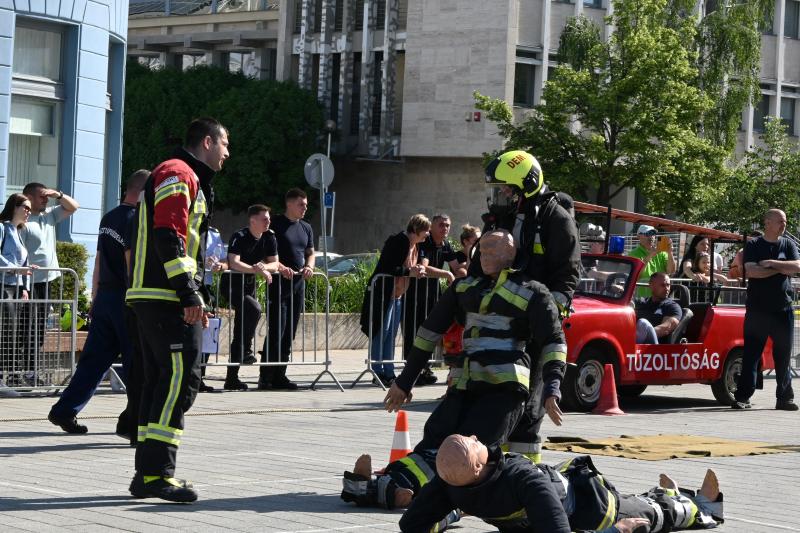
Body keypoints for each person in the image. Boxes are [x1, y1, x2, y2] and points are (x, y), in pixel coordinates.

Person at [343, 230, 566, 510]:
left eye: (493, 249)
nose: (484, 255)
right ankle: (392, 482)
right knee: (436, 435)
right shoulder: (464, 288)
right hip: (465, 386)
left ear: (511, 254)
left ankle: (399, 490)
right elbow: (428, 334)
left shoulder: (533, 292)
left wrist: (553, 387)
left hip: (503, 391)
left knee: (467, 451)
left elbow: (554, 342)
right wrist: (404, 382)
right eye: (482, 250)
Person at [126, 117, 229, 502]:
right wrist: (187, 292)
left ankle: (147, 473)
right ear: (207, 141)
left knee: (160, 383)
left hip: (155, 294)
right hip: (164, 297)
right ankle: (156, 474)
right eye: (224, 145)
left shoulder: (181, 173)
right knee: (178, 382)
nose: (227, 154)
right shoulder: (178, 172)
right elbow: (170, 235)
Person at [399, 434, 724, 533]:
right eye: (470, 443)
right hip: (594, 508)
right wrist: (616, 531)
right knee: (651, 513)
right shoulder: (523, 479)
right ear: (480, 465)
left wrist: (451, 511)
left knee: (635, 499)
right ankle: (700, 506)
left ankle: (664, 491)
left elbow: (411, 525)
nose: (473, 436)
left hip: (559, 494)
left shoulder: (453, 485)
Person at [479, 150, 580, 462]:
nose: (500, 195)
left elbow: (566, 278)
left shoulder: (556, 220)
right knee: (493, 398)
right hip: (499, 323)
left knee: (529, 404)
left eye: (506, 189)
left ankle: (524, 473)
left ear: (527, 186)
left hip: (534, 329)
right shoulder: (500, 219)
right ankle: (490, 466)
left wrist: (547, 314)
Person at [47, 170, 149, 435]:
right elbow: (131, 263)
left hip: (105, 296)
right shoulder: (135, 218)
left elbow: (100, 260)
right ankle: (134, 421)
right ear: (142, 192)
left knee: (93, 361)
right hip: (126, 299)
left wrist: (95, 296)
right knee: (136, 362)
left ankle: (64, 410)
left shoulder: (110, 217)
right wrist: (137, 298)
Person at [733, 209, 800, 411]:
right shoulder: (754, 244)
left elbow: (797, 266)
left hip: (783, 309)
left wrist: (771, 264)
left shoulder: (788, 244)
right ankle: (743, 397)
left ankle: (784, 398)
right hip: (758, 310)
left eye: (785, 221)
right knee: (752, 354)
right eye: (780, 221)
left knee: (783, 355)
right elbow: (752, 271)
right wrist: (781, 268)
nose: (784, 225)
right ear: (767, 223)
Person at [222, 205, 290, 391]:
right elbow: (234, 262)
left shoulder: (269, 236)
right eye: (264, 219)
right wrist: (255, 269)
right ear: (253, 221)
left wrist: (262, 268)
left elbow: (274, 264)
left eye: (268, 218)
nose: (268, 221)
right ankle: (246, 350)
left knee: (239, 332)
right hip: (232, 286)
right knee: (254, 309)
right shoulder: (239, 236)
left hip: (249, 287)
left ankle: (232, 378)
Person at [360, 214, 429, 387]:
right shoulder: (399, 241)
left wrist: (417, 268)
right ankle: (377, 372)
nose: (428, 234)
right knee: (380, 333)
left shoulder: (415, 246)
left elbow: (411, 266)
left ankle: (389, 373)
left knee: (390, 336)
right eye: (425, 230)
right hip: (383, 293)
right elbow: (388, 267)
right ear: (417, 229)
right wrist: (409, 272)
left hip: (397, 295)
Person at [258, 188, 315, 390]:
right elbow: (265, 254)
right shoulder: (275, 224)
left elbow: (310, 252)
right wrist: (280, 268)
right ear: (289, 204)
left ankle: (280, 374)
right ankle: (266, 376)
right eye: (301, 204)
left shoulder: (306, 227)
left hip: (298, 285)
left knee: (289, 331)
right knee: (276, 329)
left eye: (306, 205)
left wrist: (309, 266)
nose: (304, 208)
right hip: (278, 284)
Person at [20, 182, 79, 374]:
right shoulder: (23, 221)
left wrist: (58, 194)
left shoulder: (49, 215)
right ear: (28, 197)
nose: (45, 199)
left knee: (39, 328)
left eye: (47, 196)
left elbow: (74, 206)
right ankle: (23, 370)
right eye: (41, 196)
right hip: (29, 282)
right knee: (27, 327)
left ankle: (32, 370)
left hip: (48, 280)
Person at [403, 214, 463, 385]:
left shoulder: (446, 244)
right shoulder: (426, 241)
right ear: (432, 227)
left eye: (448, 225)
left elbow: (457, 267)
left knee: (430, 331)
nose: (445, 228)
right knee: (413, 331)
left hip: (433, 294)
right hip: (415, 294)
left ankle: (425, 368)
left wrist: (467, 273)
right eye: (441, 225)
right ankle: (412, 370)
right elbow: (424, 266)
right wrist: (447, 274)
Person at [0, 193, 34, 397]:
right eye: (26, 207)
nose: (29, 212)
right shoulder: (3, 228)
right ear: (14, 207)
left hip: (14, 288)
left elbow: (22, 264)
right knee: (4, 332)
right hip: (2, 285)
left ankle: (5, 378)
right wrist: (15, 270)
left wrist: (24, 288)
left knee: (10, 333)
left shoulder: (18, 232)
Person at [628, 225, 676, 297]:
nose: (651, 237)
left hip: (662, 297)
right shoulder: (633, 254)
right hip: (643, 299)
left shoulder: (662, 252)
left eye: (653, 233)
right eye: (648, 234)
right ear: (639, 236)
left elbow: (671, 271)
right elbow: (635, 275)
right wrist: (652, 254)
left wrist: (670, 252)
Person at [634, 273, 682, 344]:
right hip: (635, 346)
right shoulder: (641, 302)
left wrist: (642, 333)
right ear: (651, 285)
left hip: (655, 349)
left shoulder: (672, 307)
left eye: (668, 285)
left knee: (643, 323)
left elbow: (666, 328)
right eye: (663, 285)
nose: (667, 289)